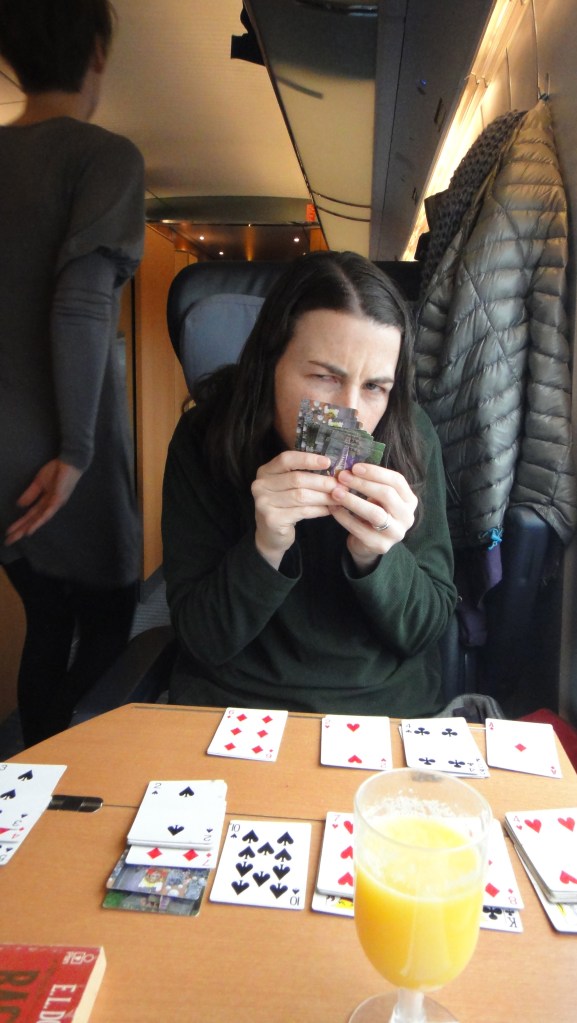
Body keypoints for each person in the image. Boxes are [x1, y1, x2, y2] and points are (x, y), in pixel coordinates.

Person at [162, 251, 457, 717]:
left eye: (375, 387)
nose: (350, 412)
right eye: (324, 377)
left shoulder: (410, 434)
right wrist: (265, 547)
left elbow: (427, 631)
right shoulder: (205, 436)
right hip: (234, 703)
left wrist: (377, 555)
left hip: (381, 706)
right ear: (269, 366)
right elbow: (201, 639)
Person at [0, 0, 145, 745]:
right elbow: (82, 302)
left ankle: (33, 775)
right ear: (96, 52)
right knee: (111, 623)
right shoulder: (104, 157)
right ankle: (74, 780)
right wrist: (77, 452)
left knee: (47, 619)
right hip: (62, 455)